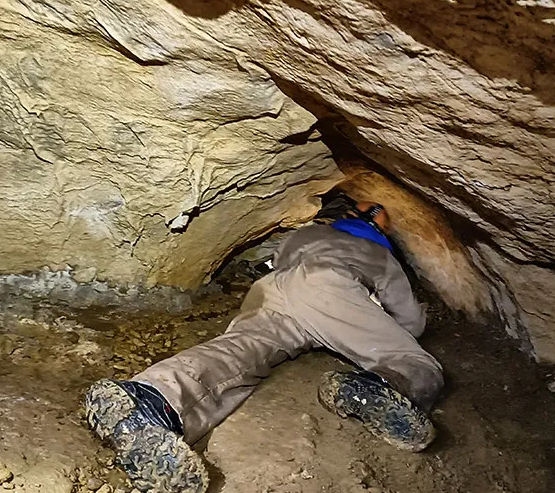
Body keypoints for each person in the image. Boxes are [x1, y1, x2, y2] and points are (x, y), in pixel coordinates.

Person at [84, 201, 445, 493]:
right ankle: (382, 387)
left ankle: (150, 399)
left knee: (241, 351)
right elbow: (410, 322)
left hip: (274, 290)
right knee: (414, 360)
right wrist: (374, 323)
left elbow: (277, 263)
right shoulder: (378, 251)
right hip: (331, 286)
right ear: (379, 229)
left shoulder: (308, 234)